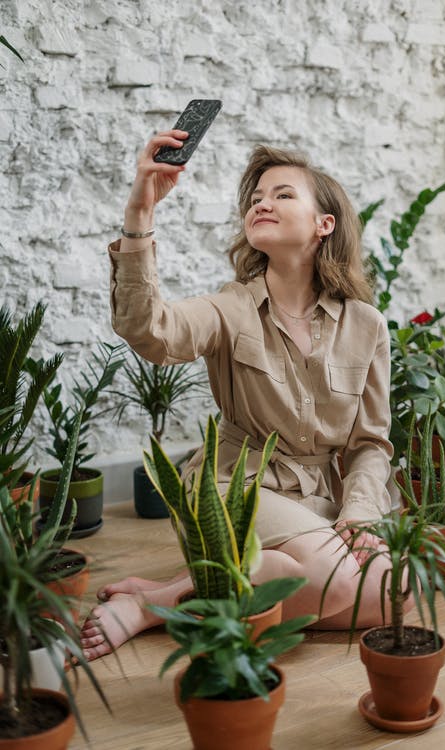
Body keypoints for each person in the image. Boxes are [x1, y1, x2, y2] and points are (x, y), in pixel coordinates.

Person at [81, 129, 408, 662]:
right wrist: (140, 210)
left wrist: (360, 513)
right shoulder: (231, 307)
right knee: (347, 585)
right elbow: (151, 330)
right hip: (234, 489)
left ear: (324, 225)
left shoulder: (366, 325)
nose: (262, 203)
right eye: (256, 197)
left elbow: (370, 443)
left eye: (282, 194)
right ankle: (156, 608)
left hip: (319, 502)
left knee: (393, 593)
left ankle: (189, 586)